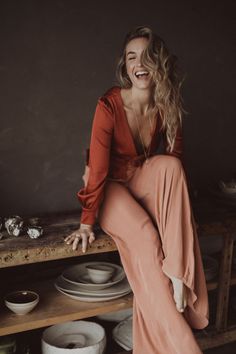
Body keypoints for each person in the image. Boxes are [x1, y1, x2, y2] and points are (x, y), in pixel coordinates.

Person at [65, 26, 209, 354]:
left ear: (159, 62)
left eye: (147, 56)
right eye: (132, 57)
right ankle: (183, 346)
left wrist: (180, 216)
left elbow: (174, 161)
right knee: (145, 236)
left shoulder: (166, 101)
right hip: (108, 186)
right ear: (125, 66)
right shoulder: (109, 104)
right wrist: (87, 221)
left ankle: (177, 275)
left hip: (140, 178)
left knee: (172, 166)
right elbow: (98, 169)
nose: (139, 63)